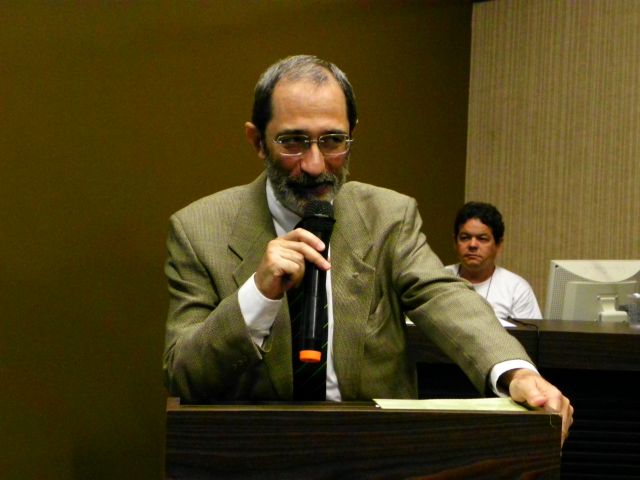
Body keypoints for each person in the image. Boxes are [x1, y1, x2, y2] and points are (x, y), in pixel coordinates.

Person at [163, 54, 572, 444]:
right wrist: (256, 294)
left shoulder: (388, 216)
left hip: (375, 449)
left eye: (333, 141)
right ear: (257, 141)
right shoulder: (198, 230)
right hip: (259, 450)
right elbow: (183, 374)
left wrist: (515, 372)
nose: (315, 165)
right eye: (294, 141)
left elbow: (443, 296)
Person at [445, 201, 543, 324]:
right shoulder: (438, 279)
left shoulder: (516, 289)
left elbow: (531, 334)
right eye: (465, 238)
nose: (472, 245)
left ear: (498, 245)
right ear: (455, 242)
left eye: (482, 239)